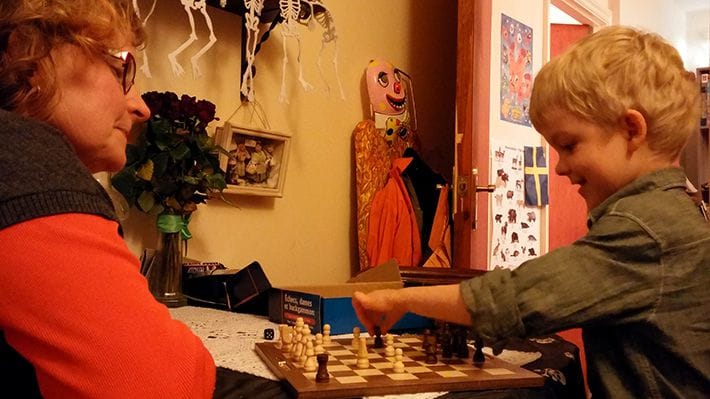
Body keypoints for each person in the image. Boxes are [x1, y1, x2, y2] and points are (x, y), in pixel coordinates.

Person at [353, 26, 710, 398]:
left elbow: (515, 299)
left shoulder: (644, 231)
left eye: (569, 145)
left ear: (632, 129)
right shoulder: (672, 212)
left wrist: (398, 300)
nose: (558, 167)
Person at [0, 1, 279, 398]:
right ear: (25, 53)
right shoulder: (23, 160)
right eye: (121, 70)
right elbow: (165, 384)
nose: (141, 106)